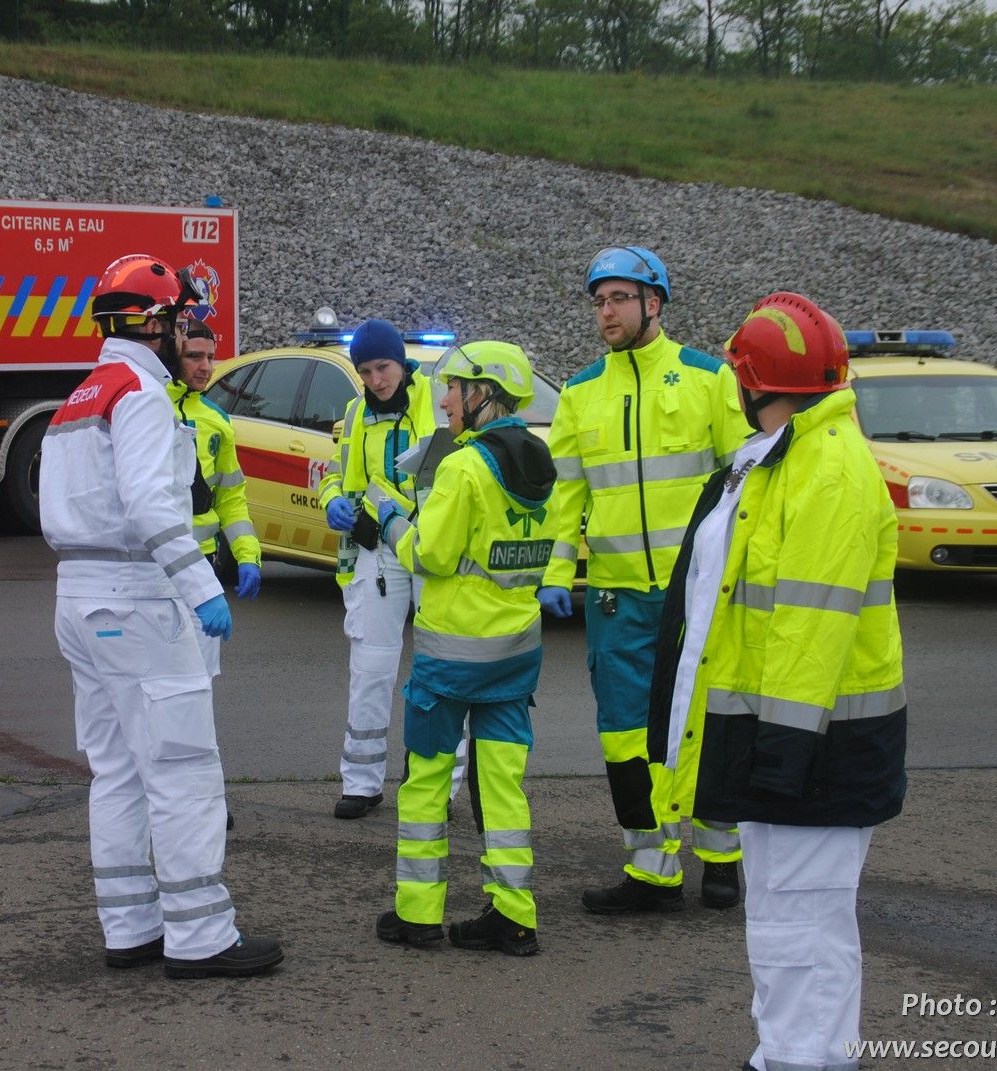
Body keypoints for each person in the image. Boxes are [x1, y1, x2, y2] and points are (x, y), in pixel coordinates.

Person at [646, 293, 907, 1070]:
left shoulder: (823, 471)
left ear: (754, 382)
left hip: (812, 749)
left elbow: (808, 629)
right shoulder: (780, 460)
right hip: (788, 741)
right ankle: (808, 1054)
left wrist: (779, 757)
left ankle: (798, 1058)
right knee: (800, 922)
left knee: (796, 926)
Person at [39, 252, 282, 979]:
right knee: (181, 769)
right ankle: (201, 934)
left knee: (115, 771)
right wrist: (199, 584)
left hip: (81, 598)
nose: (191, 333)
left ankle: (131, 925)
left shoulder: (80, 396)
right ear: (155, 324)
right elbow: (150, 504)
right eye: (183, 320)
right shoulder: (141, 394)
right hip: (140, 599)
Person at [537, 246, 751, 912]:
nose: (607, 311)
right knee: (626, 733)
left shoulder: (708, 378)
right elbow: (564, 494)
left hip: (697, 594)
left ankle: (721, 855)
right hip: (616, 595)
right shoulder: (579, 390)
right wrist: (552, 570)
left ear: (653, 303)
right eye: (599, 301)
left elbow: (746, 478)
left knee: (708, 724)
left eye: (620, 298)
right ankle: (652, 869)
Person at [372, 342, 555, 957]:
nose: (445, 398)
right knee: (504, 786)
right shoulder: (540, 462)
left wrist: (391, 519)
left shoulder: (464, 467)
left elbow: (431, 555)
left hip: (451, 659)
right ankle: (513, 914)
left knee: (424, 782)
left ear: (486, 395)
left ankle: (418, 914)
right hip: (514, 656)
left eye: (454, 387)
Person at [318, 319, 466, 820]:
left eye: (383, 367)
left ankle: (439, 786)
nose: (376, 379)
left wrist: (395, 512)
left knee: (441, 664)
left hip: (429, 547)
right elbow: (338, 472)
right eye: (365, 370)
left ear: (401, 364)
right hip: (378, 550)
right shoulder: (357, 411)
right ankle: (361, 782)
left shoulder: (439, 401)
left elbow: (451, 477)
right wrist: (334, 501)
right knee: (371, 666)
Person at [169, 319, 261, 830]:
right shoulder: (148, 407)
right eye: (193, 357)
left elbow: (231, 496)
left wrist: (247, 553)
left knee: (200, 691)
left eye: (210, 356)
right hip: (156, 575)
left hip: (201, 572)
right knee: (161, 691)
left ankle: (206, 798)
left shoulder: (217, 422)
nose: (205, 367)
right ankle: (170, 797)